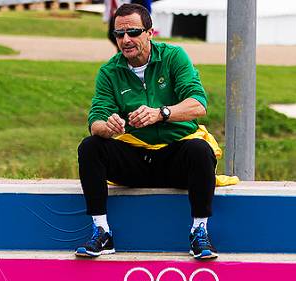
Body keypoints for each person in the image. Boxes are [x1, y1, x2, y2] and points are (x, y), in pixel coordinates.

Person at [77, 3, 220, 260]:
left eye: (133, 32)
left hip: (175, 156)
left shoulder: (174, 56)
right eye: (119, 34)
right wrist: (108, 127)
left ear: (150, 33)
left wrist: (161, 113)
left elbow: (198, 104)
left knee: (200, 149)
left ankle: (200, 231)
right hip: (135, 159)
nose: (125, 39)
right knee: (90, 146)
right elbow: (95, 120)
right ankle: (101, 230)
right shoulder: (109, 71)